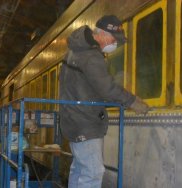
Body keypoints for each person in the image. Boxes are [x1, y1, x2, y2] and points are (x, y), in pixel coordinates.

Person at [59, 15, 149, 188]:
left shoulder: (75, 51)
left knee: (79, 169)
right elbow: (106, 87)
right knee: (94, 172)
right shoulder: (91, 56)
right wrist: (132, 101)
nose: (115, 44)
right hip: (84, 121)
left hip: (73, 119)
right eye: (115, 39)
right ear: (103, 34)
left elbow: (88, 87)